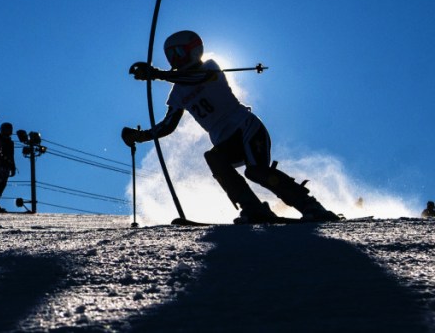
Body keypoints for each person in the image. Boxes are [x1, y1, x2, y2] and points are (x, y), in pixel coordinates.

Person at [122, 31, 340, 223]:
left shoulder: (209, 67)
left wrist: (157, 74)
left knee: (256, 171)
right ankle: (252, 208)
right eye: (171, 55)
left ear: (194, 50)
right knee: (214, 158)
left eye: (178, 52)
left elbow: (195, 77)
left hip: (247, 129)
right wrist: (140, 136)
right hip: (226, 142)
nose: (175, 59)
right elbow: (168, 126)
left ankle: (310, 205)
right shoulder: (178, 92)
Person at [0, 121, 17, 211]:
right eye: (8, 129)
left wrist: (13, 167)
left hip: (6, 167)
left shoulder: (10, 142)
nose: (10, 131)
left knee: (2, 186)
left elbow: (11, 156)